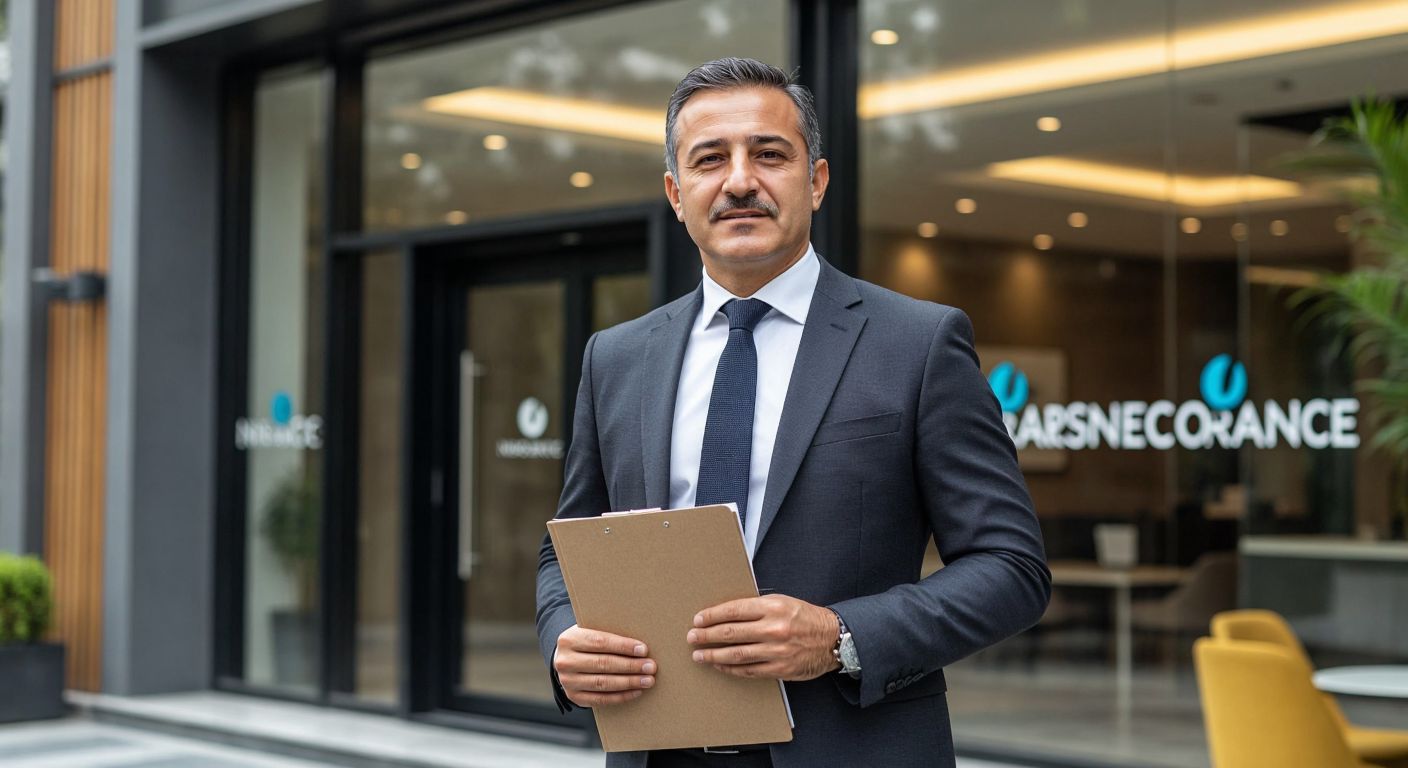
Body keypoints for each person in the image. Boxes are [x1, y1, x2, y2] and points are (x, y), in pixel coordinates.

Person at [535, 57, 1050, 768]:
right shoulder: (616, 357)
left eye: (769, 155)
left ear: (816, 180)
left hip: (854, 748)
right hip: (655, 749)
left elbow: (1012, 568)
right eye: (709, 159)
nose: (740, 180)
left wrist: (841, 635)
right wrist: (564, 639)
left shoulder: (918, 343)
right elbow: (564, 548)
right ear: (676, 193)